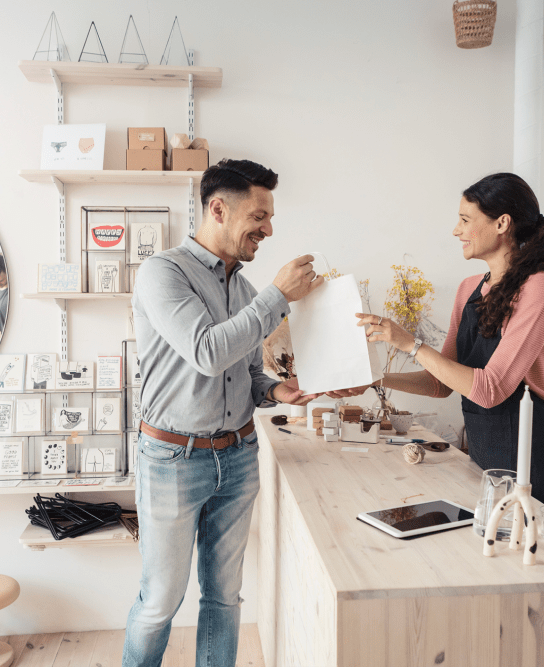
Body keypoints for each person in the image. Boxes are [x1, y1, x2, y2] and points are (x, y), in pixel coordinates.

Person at [124, 159, 323, 667]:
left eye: (270, 217)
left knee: (225, 597)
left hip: (237, 457)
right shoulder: (163, 272)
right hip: (172, 459)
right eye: (259, 215)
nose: (268, 229)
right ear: (218, 208)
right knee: (159, 602)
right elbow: (208, 352)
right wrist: (278, 296)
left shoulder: (243, 288)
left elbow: (243, 374)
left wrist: (279, 392)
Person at [344, 173, 544, 509]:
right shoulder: (468, 289)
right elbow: (439, 384)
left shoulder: (539, 289)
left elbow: (490, 390)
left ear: (502, 223)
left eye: (465, 219)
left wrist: (410, 344)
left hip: (535, 474)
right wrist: (373, 380)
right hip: (488, 468)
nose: (456, 230)